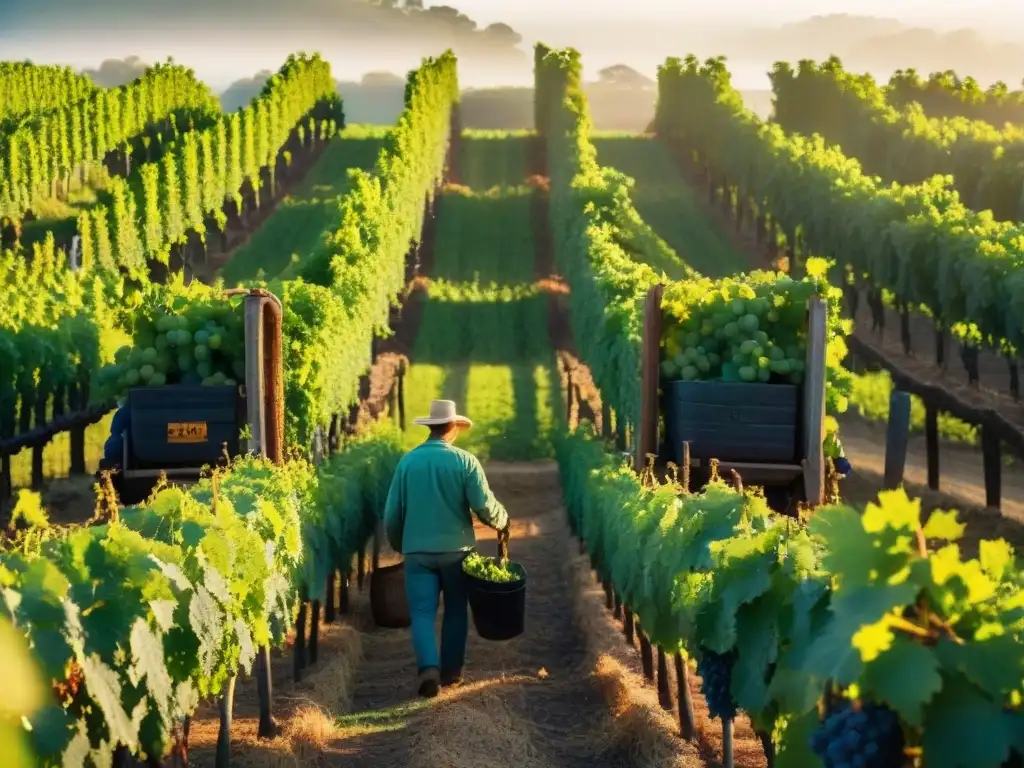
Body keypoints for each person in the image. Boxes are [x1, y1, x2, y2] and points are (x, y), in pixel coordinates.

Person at [383, 399, 509, 699]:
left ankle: (428, 669)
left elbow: (391, 513)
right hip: (458, 551)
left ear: (429, 427)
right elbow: (483, 506)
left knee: (423, 613)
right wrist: (502, 521)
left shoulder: (408, 462)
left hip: (417, 552)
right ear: (452, 428)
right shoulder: (465, 462)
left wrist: (402, 544)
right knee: (455, 611)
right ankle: (451, 672)